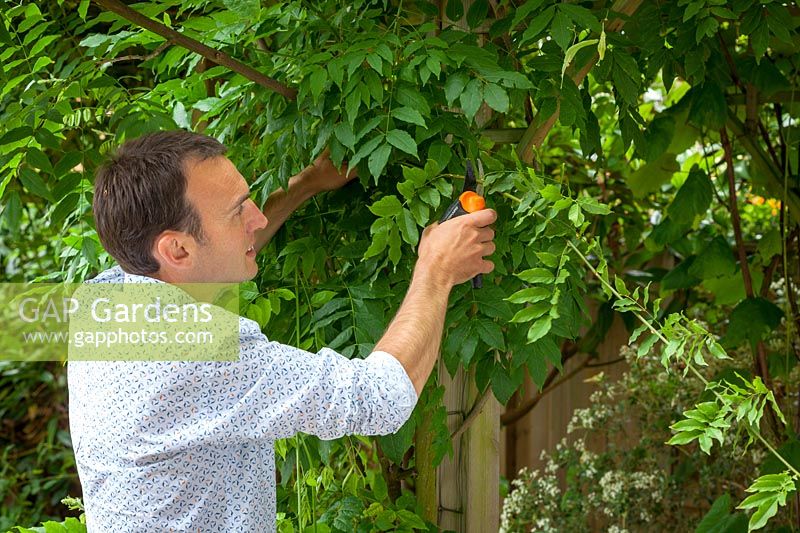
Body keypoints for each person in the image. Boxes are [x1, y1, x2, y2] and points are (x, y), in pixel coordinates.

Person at [68, 130, 496, 531]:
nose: (255, 217)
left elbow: (205, 266)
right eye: (238, 210)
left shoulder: (101, 303)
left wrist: (306, 184)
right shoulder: (197, 353)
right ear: (176, 248)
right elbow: (378, 398)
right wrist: (436, 270)